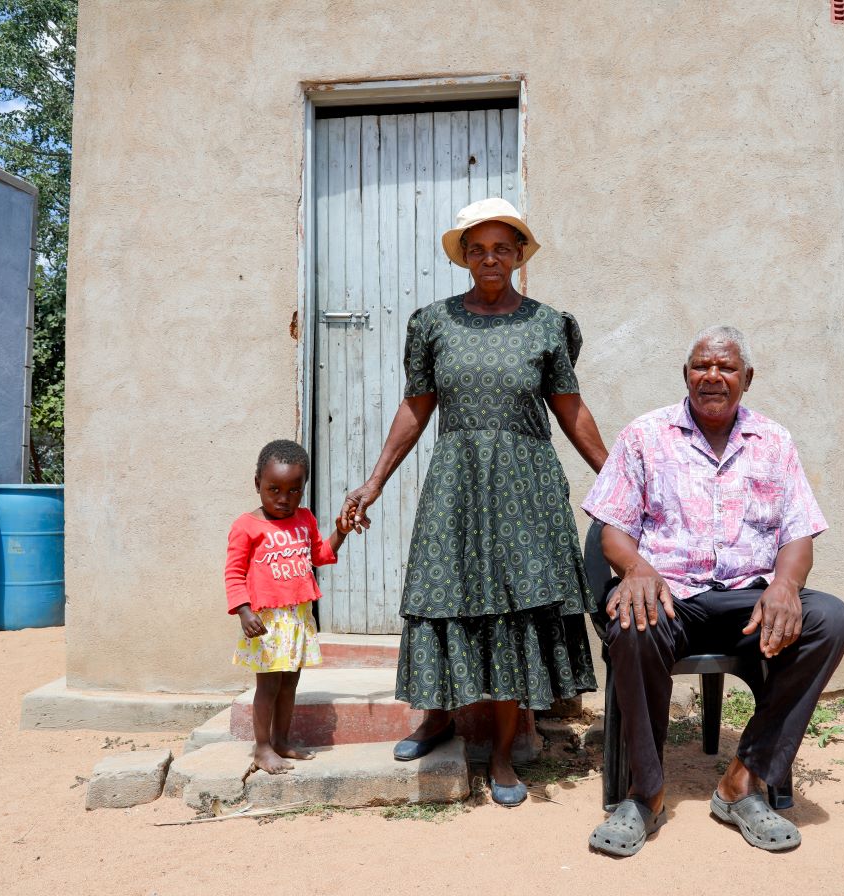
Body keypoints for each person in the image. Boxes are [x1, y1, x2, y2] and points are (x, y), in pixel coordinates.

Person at [343, 198, 608, 807]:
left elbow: (569, 408)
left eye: (502, 248)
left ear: (519, 256)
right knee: (443, 594)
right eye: (478, 248)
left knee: (514, 608)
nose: (490, 258)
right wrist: (374, 480)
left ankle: (506, 754)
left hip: (525, 481)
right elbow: (416, 407)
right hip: (458, 478)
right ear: (464, 257)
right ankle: (437, 718)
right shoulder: (432, 324)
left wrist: (615, 474)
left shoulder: (547, 325)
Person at [581, 325, 844, 856]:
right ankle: (645, 793)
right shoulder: (645, 434)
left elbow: (797, 533)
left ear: (746, 379)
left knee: (831, 619)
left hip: (747, 601)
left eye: (726, 368)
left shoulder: (774, 441)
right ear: (685, 375)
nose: (712, 376)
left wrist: (785, 585)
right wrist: (636, 570)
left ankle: (743, 778)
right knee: (633, 621)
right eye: (701, 366)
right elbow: (612, 528)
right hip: (670, 595)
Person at [226, 439, 352, 774]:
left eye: (294, 491)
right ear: (257, 484)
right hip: (266, 621)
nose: (284, 499)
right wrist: (244, 611)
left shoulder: (305, 519)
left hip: (296, 616)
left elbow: (320, 556)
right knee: (267, 686)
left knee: (290, 683)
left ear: (303, 488)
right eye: (274, 489)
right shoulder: (246, 526)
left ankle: (281, 741)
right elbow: (234, 573)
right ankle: (262, 748)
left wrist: (339, 532)